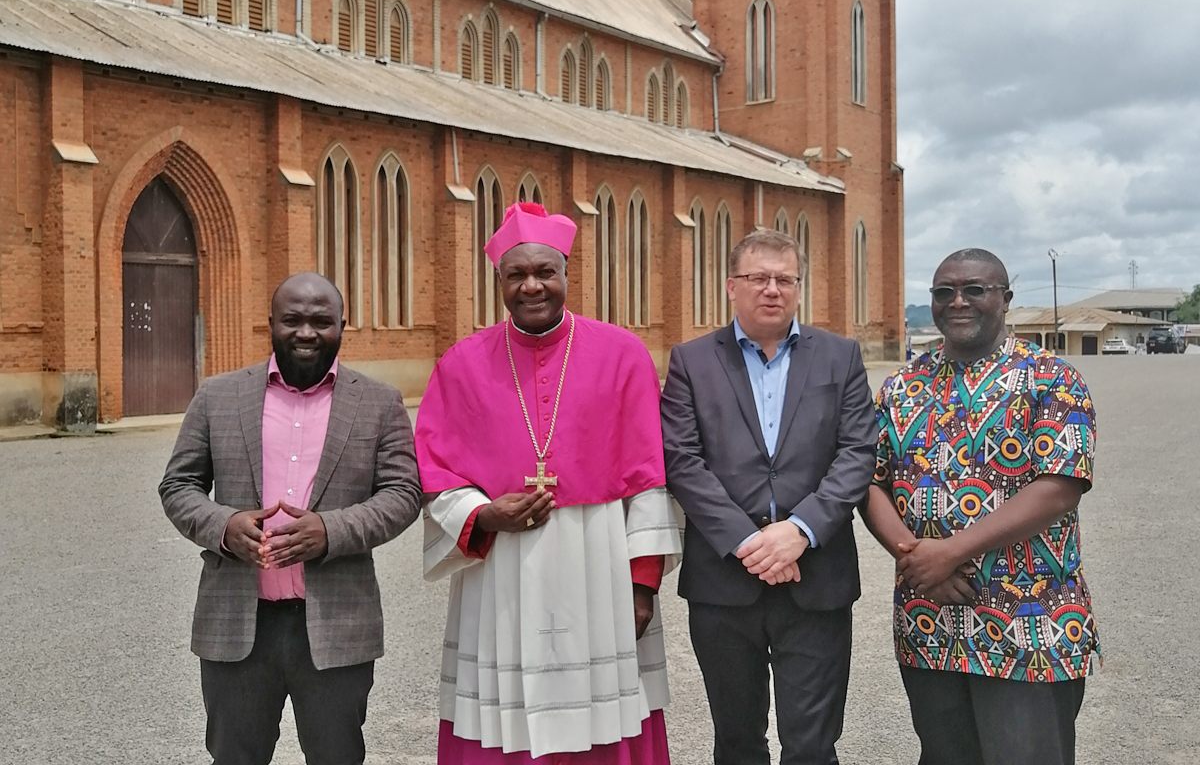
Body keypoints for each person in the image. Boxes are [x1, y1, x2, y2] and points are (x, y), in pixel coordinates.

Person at [416, 202, 681, 764]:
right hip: (502, 571)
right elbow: (436, 474)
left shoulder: (623, 355)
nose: (532, 286)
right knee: (504, 716)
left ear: (566, 274)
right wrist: (486, 515)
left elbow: (650, 478)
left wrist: (642, 584)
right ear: (500, 282)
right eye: (517, 275)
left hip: (600, 563)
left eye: (545, 272)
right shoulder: (462, 364)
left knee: (606, 717)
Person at [159, 272, 423, 765]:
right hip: (237, 624)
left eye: (321, 321)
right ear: (271, 325)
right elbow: (178, 485)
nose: (306, 332)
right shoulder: (217, 397)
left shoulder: (379, 403)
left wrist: (330, 531)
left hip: (336, 626)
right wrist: (223, 526)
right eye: (293, 320)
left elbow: (404, 493)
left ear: (343, 326)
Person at [861, 249, 1099, 765]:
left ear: (1006, 299)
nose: (958, 301)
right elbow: (868, 482)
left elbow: (1059, 486)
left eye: (975, 289)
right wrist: (919, 559)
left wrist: (949, 551)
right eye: (944, 292)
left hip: (1029, 623)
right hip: (930, 619)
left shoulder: (1051, 379)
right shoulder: (902, 386)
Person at [661, 229, 877, 765]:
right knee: (737, 743)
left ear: (799, 287)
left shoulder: (840, 356)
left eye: (785, 279)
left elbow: (857, 453)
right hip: (725, 585)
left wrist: (798, 531)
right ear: (732, 286)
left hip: (817, 580)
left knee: (811, 745)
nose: (772, 290)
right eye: (759, 278)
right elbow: (682, 461)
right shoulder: (691, 361)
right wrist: (748, 542)